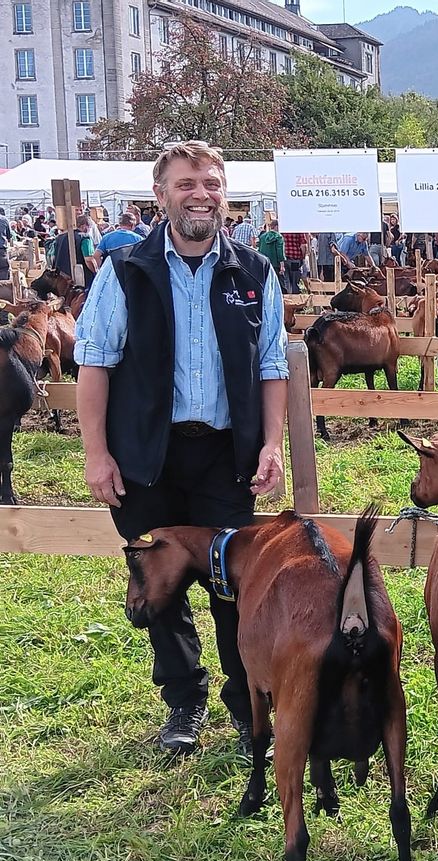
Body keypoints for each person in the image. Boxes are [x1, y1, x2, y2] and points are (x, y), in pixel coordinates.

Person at [74, 140, 288, 756]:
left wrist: (272, 444)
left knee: (233, 586)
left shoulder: (254, 273)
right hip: (146, 457)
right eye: (186, 183)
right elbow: (95, 364)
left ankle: (248, 706)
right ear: (161, 194)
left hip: (225, 457)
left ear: (225, 194)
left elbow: (271, 365)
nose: (201, 194)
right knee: (159, 584)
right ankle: (184, 701)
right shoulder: (125, 272)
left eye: (211, 183)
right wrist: (97, 453)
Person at [52, 214, 99, 288]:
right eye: (89, 227)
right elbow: (89, 259)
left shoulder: (60, 237)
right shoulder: (85, 238)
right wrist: (96, 272)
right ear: (84, 226)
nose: (90, 230)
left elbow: (53, 257)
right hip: (79, 279)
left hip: (60, 278)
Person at [281, 229, 309, 295]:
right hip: (295, 259)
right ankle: (295, 298)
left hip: (284, 260)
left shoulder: (282, 229)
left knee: (286, 281)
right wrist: (303, 257)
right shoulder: (297, 229)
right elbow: (303, 245)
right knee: (295, 282)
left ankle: (288, 296)